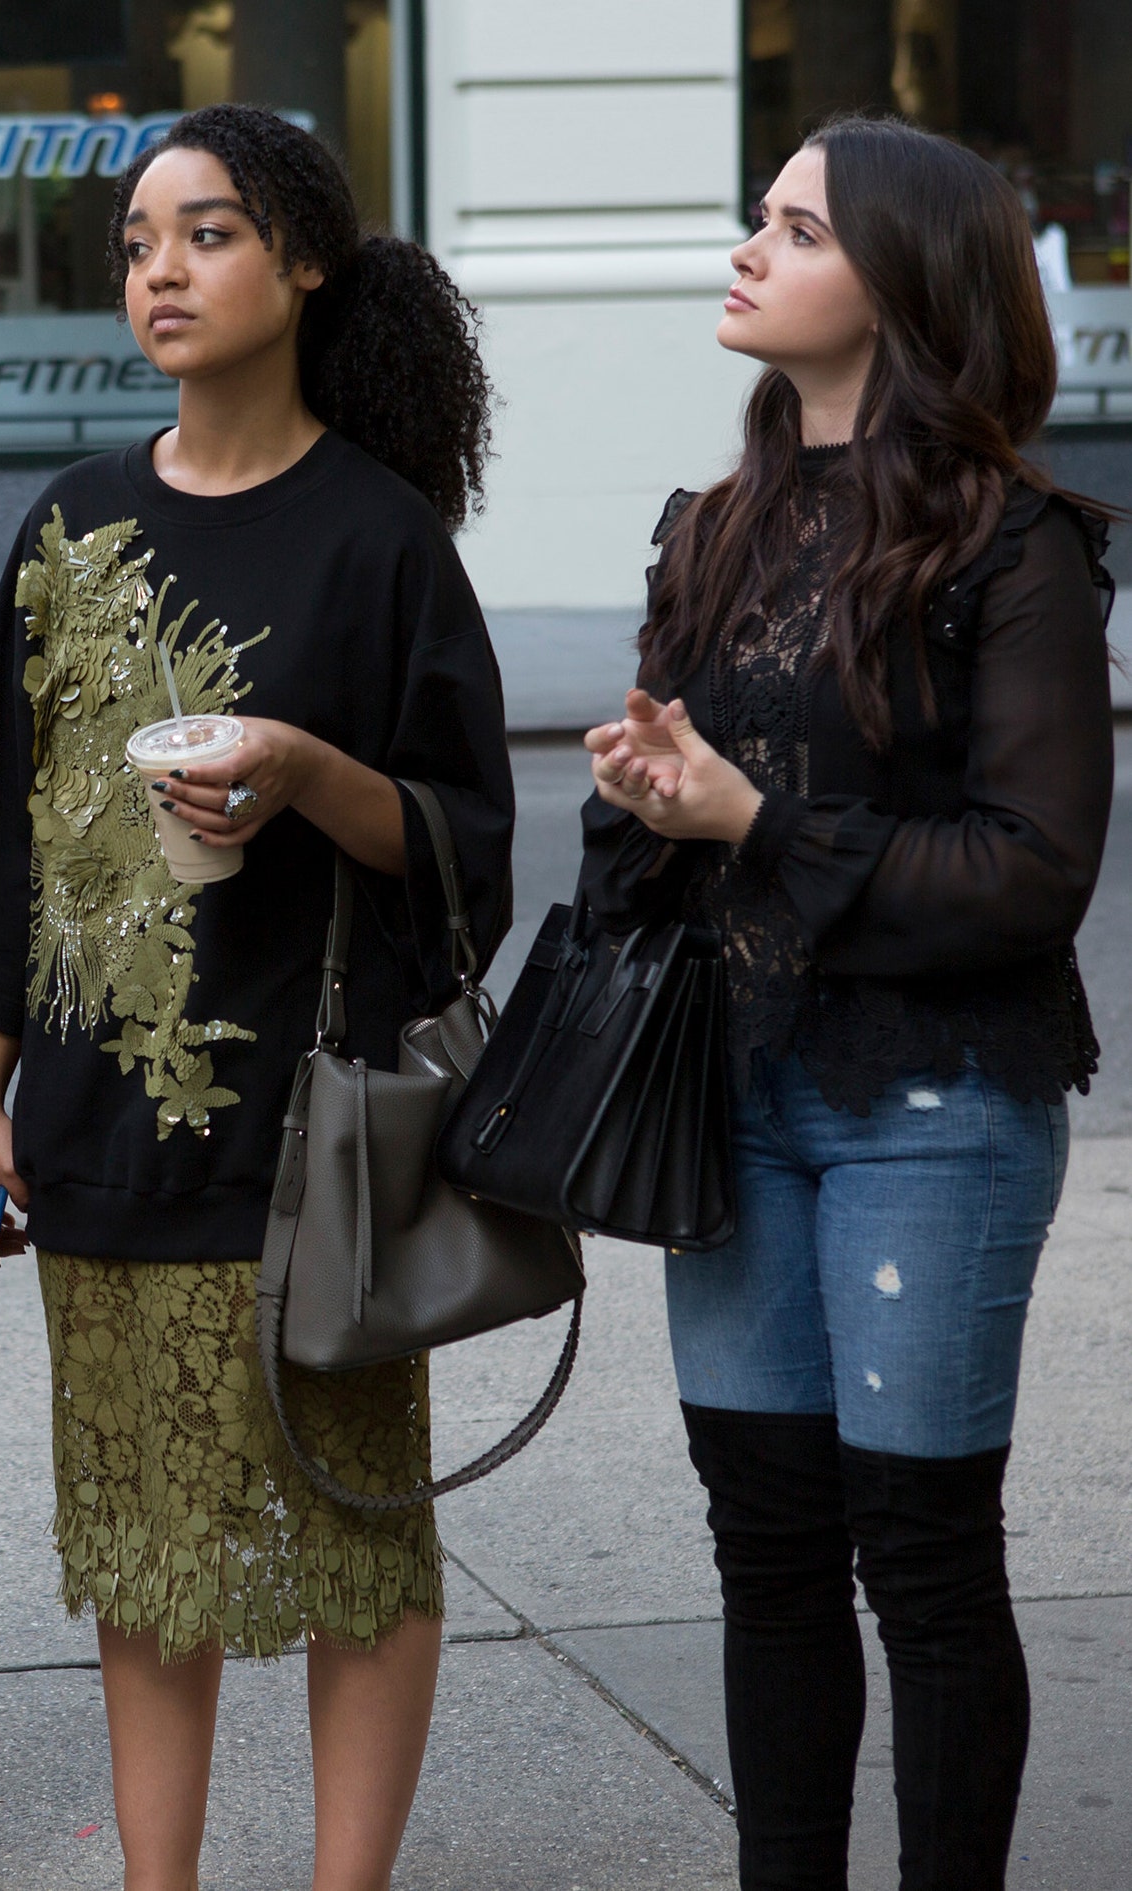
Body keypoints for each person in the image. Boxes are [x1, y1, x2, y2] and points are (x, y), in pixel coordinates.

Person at [0, 104, 510, 1891]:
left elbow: (466, 840)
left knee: (354, 1547)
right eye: (141, 242)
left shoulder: (381, 540)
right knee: (148, 1551)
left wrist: (308, 770)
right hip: (91, 1111)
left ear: (303, 263)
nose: (163, 269)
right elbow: (7, 835)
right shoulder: (71, 523)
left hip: (313, 1133)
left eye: (208, 232)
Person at [579, 115, 1114, 1891]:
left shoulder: (1012, 546)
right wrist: (652, 801)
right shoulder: (714, 530)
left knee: (925, 1556)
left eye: (794, 228)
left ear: (897, 281)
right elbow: (680, 842)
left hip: (933, 1107)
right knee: (770, 1552)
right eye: (759, 218)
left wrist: (755, 814)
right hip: (729, 1100)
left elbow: (1031, 873)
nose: (748, 249)